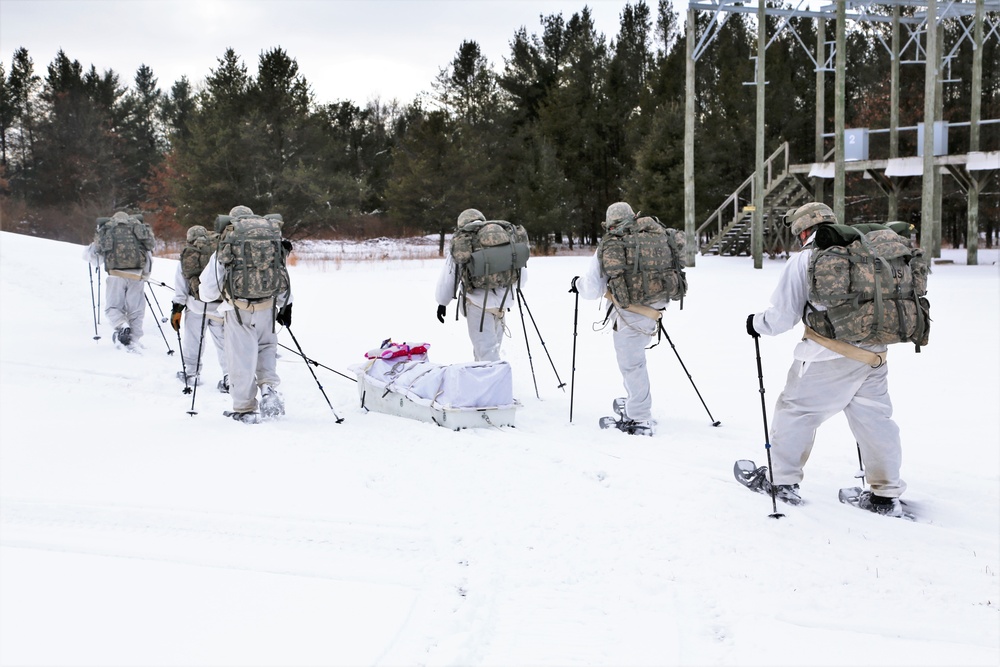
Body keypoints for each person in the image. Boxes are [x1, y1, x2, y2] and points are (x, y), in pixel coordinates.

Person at [745, 201, 906, 516]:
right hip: (874, 354)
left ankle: (781, 482)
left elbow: (782, 318)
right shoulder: (868, 252)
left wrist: (755, 322)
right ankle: (884, 495)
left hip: (826, 355)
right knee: (875, 421)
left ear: (803, 230)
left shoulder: (806, 259)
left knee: (795, 412)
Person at [571, 202, 679, 437]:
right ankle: (635, 399)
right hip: (657, 306)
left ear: (610, 223)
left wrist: (576, 284)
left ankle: (639, 416)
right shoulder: (655, 235)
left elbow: (591, 289)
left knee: (632, 365)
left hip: (631, 313)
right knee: (635, 361)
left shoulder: (612, 244)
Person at [198, 205, 292, 424]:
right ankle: (268, 387)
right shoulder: (271, 241)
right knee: (267, 348)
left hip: (239, 310)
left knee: (240, 358)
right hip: (268, 308)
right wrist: (286, 306)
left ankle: (244, 409)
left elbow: (208, 290)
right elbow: (281, 274)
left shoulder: (228, 244)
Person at [434, 208, 528, 362]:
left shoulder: (463, 241)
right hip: (503, 303)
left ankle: (493, 383)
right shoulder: (503, 237)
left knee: (486, 355)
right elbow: (521, 276)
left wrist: (442, 302)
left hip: (478, 305)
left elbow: (451, 275)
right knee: (493, 348)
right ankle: (490, 380)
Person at [83, 211, 155, 348]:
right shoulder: (138, 228)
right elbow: (149, 249)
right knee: (136, 309)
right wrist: (146, 274)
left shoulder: (107, 229)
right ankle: (134, 339)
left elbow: (94, 256)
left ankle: (121, 326)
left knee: (113, 306)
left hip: (115, 274)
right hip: (136, 275)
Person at [170, 224, 228, 392]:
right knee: (224, 343)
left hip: (196, 307)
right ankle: (229, 376)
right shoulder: (221, 250)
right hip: (220, 308)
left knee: (194, 341)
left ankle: (191, 373)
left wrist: (177, 309)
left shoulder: (189, 254)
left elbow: (181, 286)